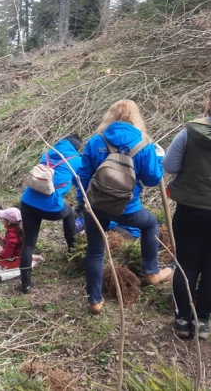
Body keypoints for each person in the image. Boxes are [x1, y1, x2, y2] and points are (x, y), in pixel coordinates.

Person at [76, 99, 172, 315]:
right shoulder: (143, 144)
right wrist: (159, 159)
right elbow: (152, 179)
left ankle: (94, 300)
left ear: (110, 116)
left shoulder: (96, 141)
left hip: (96, 206)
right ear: (135, 118)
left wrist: (82, 202)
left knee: (95, 250)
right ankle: (151, 272)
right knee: (149, 225)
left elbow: (83, 175)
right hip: (127, 209)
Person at [163, 81, 211, 340]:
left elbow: (169, 165)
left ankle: (181, 320)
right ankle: (201, 322)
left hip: (189, 210)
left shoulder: (191, 131)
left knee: (186, 264)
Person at [19, 134, 83, 294]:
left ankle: (25, 284)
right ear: (77, 148)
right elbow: (78, 184)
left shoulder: (47, 153)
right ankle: (72, 250)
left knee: (29, 243)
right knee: (68, 213)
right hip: (50, 206)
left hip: (27, 201)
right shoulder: (75, 160)